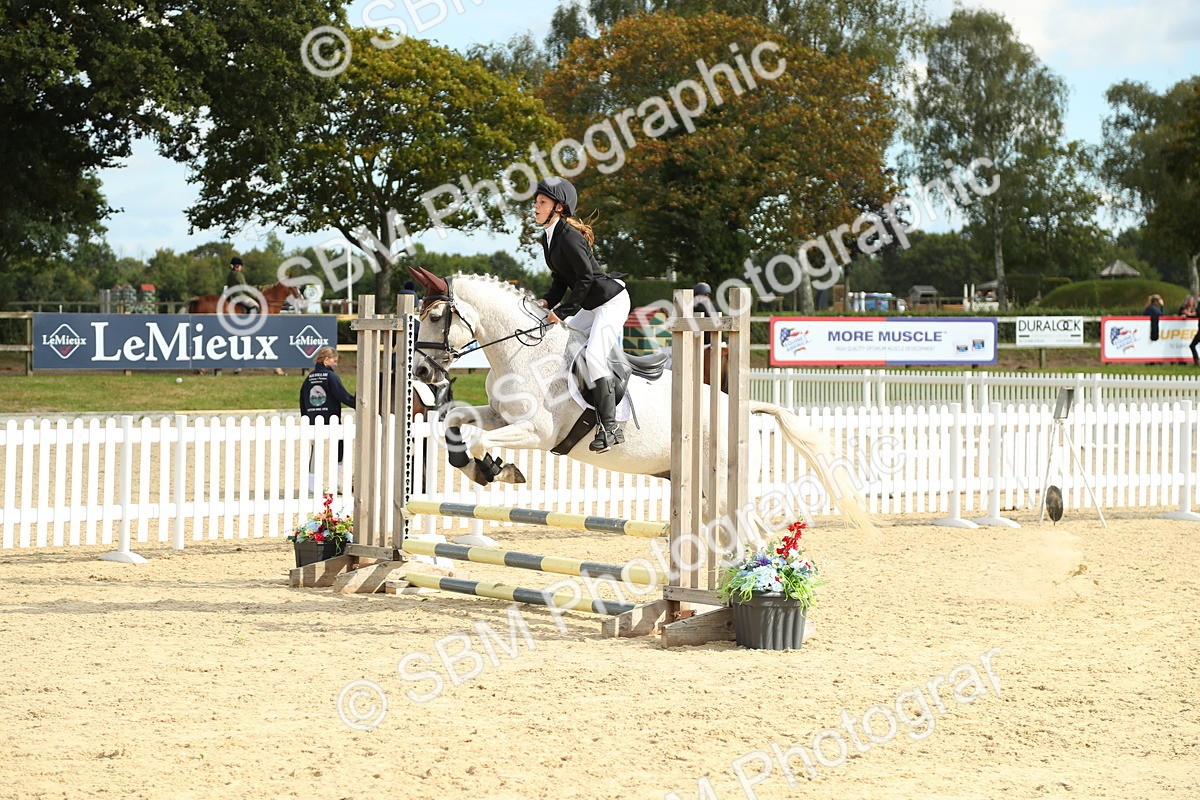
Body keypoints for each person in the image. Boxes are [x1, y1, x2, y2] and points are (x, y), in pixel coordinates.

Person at [534, 176, 631, 453]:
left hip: (610, 302)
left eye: (542, 202)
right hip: (591, 306)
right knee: (562, 346)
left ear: (559, 208)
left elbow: (586, 278)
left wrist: (563, 312)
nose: (536, 207)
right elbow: (561, 280)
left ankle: (610, 428)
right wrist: (547, 301)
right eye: (536, 202)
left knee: (594, 356)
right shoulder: (548, 238)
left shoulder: (570, 236)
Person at [300, 347, 356, 463]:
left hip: (312, 418)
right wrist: (357, 404)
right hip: (330, 418)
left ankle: (311, 477)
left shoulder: (308, 378)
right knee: (340, 443)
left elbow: (303, 400)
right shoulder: (331, 376)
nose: (335, 365)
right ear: (326, 360)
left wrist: (305, 417)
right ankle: (339, 467)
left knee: (315, 449)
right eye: (334, 361)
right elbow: (342, 396)